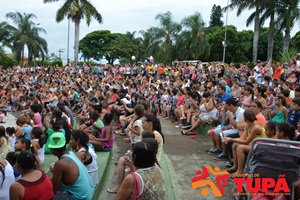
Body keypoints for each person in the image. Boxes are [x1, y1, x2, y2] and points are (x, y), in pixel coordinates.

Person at [49, 132, 94, 200]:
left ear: (52, 150)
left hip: (81, 198)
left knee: (47, 196)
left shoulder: (59, 164)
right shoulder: (72, 154)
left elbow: (53, 190)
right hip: (88, 194)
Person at [225, 109, 266, 175]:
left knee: (240, 148)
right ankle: (235, 166)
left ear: (245, 119)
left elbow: (246, 142)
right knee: (235, 144)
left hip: (258, 146)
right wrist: (231, 139)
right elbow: (242, 138)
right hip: (252, 144)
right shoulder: (248, 125)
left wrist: (231, 139)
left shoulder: (256, 128)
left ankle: (240, 171)